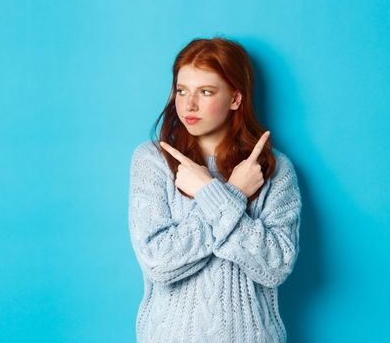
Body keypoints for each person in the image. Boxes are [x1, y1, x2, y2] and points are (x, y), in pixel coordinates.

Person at [128, 36, 303, 342]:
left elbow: (276, 267)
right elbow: (158, 263)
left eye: (206, 92)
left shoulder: (273, 168)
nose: (189, 105)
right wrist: (232, 192)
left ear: (236, 98)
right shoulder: (153, 160)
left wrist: (209, 192)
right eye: (181, 91)